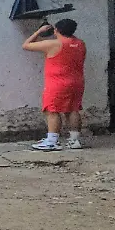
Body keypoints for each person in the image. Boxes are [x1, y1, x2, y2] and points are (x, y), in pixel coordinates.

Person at [24, 18, 86, 150]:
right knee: (73, 110)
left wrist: (39, 31)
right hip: (77, 82)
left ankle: (52, 141)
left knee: (52, 110)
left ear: (56, 30)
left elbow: (26, 45)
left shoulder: (53, 44)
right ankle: (74, 140)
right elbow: (70, 40)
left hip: (57, 83)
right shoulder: (80, 44)